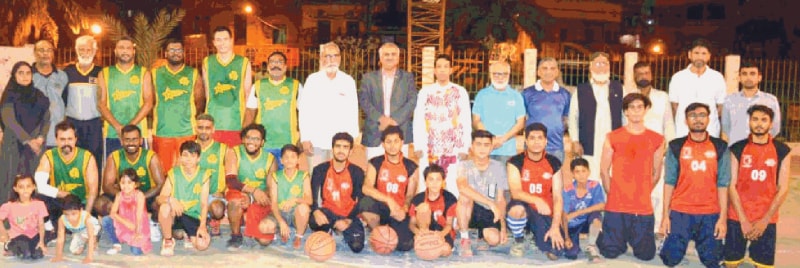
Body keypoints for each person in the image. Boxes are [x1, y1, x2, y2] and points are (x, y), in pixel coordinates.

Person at [659, 102, 730, 267]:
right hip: (681, 210)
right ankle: (669, 242)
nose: (697, 120)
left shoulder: (720, 146)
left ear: (708, 119)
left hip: (710, 212)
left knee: (713, 262)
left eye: (702, 115)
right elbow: (669, 182)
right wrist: (665, 216)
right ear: (686, 120)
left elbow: (723, 184)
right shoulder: (676, 146)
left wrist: (722, 219)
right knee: (670, 260)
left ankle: (705, 242)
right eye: (692, 116)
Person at [596, 93, 665, 261]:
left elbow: (657, 171)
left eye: (639, 107)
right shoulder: (612, 137)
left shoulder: (657, 139)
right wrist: (612, 193)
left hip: (642, 206)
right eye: (631, 108)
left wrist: (645, 190)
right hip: (616, 205)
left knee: (646, 255)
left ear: (646, 109)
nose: (635, 111)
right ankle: (600, 233)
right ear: (626, 112)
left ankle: (638, 239)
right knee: (609, 252)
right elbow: (604, 170)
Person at [725, 105, 791, 268]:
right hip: (737, 216)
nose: (759, 124)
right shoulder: (737, 148)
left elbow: (783, 188)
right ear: (749, 122)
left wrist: (765, 221)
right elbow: (731, 186)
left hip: (766, 217)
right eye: (755, 119)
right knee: (731, 264)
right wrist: (743, 220)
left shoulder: (782, 150)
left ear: (771, 123)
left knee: (763, 265)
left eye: (764, 120)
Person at [413, 54, 472, 196]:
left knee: (452, 184)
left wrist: (465, 146)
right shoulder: (425, 92)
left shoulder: (460, 92)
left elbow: (466, 120)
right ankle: (427, 216)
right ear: (434, 70)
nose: (442, 70)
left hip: (453, 148)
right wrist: (418, 146)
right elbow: (418, 119)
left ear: (451, 70)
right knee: (428, 183)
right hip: (430, 147)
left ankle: (452, 217)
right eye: (439, 67)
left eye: (446, 66)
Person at [628, 61, 675, 235]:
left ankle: (656, 229)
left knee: (657, 190)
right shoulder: (629, 96)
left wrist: (668, 146)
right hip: (633, 152)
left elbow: (668, 122)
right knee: (635, 189)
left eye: (646, 72)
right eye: (639, 73)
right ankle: (635, 227)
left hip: (657, 151)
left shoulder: (662, 96)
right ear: (634, 76)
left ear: (651, 75)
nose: (643, 76)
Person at [505, 123, 565, 260]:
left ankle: (534, 234)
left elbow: (557, 197)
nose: (536, 142)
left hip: (544, 212)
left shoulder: (554, 162)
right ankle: (519, 239)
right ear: (526, 141)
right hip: (525, 207)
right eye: (532, 138)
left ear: (546, 141)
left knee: (556, 252)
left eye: (540, 138)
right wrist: (537, 200)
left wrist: (555, 226)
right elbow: (516, 192)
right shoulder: (515, 162)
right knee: (517, 209)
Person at [298, 42, 360, 171]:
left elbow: (353, 111)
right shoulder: (312, 80)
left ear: (340, 58)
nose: (331, 60)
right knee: (316, 178)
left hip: (340, 142)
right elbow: (304, 111)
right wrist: (305, 138)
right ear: (321, 58)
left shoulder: (348, 81)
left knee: (339, 178)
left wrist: (353, 138)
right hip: (316, 140)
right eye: (327, 56)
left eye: (335, 56)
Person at [358, 126, 418, 252]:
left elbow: (410, 196)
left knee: (405, 246)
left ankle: (393, 229)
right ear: (383, 144)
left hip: (399, 211)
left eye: (396, 141)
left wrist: (404, 209)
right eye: (388, 142)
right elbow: (366, 187)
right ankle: (377, 232)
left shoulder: (411, 166)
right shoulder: (375, 162)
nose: (392, 145)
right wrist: (389, 201)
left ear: (402, 143)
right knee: (365, 203)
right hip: (382, 208)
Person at [568, 52, 624, 181]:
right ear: (590, 67)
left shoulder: (619, 88)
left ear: (609, 66)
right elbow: (573, 117)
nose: (601, 67)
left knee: (611, 177)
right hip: (588, 143)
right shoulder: (581, 90)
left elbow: (625, 116)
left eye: (604, 63)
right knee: (589, 178)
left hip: (612, 142)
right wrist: (575, 141)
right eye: (598, 63)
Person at [34, 121, 99, 229]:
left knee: (99, 207)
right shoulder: (49, 156)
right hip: (60, 202)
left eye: (70, 139)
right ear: (56, 140)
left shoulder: (87, 157)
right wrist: (63, 194)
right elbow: (40, 186)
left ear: (75, 139)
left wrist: (85, 215)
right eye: (62, 139)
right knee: (37, 196)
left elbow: (93, 191)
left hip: (81, 204)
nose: (66, 143)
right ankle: (49, 229)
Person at [151, 39, 204, 170]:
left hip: (187, 132)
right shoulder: (155, 73)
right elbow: (150, 101)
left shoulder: (193, 73)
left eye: (179, 50)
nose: (175, 53)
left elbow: (200, 101)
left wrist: (187, 116)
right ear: (165, 53)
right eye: (172, 50)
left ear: (183, 53)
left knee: (188, 170)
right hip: (162, 132)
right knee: (163, 172)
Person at [309, 132, 366, 253]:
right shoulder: (320, 170)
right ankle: (330, 229)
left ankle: (339, 229)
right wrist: (316, 211)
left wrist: (348, 220)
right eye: (338, 146)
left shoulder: (357, 172)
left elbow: (361, 201)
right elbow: (312, 196)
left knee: (357, 247)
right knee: (314, 221)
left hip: (348, 214)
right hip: (328, 213)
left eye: (345, 147)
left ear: (350, 151)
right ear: (332, 149)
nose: (341, 150)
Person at [1, 62, 50, 200]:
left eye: (28, 73)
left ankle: (33, 218)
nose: (25, 76)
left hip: (36, 146)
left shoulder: (39, 95)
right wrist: (28, 140)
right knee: (10, 182)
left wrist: (40, 138)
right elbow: (9, 120)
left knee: (34, 182)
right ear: (14, 75)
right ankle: (5, 219)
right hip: (13, 146)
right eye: (20, 73)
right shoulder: (9, 95)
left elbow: (46, 119)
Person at [97, 36, 154, 157]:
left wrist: (130, 128)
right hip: (112, 133)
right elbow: (101, 104)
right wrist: (118, 127)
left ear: (133, 51)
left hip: (138, 134)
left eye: (128, 48)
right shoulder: (104, 73)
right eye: (121, 48)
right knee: (113, 173)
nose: (125, 51)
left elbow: (149, 102)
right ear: (115, 51)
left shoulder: (144, 72)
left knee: (140, 172)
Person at [359, 42, 417, 159]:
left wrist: (394, 121)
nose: (390, 57)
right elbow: (364, 100)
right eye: (386, 54)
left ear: (398, 58)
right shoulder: (368, 78)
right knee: (374, 171)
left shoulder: (407, 78)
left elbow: (412, 100)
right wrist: (381, 119)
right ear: (380, 58)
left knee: (399, 173)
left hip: (400, 131)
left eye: (393, 54)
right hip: (375, 132)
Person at [224, 124, 277, 249]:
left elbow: (271, 188)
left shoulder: (270, 159)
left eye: (256, 139)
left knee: (264, 241)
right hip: (240, 191)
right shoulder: (234, 152)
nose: (251, 142)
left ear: (262, 142)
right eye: (248, 138)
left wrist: (253, 198)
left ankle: (251, 222)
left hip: (261, 197)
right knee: (235, 202)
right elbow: (231, 181)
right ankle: (236, 235)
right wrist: (253, 191)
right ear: (243, 139)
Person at [244, 51, 303, 166]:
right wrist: (246, 138)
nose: (276, 65)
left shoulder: (295, 86)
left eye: (280, 62)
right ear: (268, 66)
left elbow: (305, 114)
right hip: (264, 144)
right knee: (264, 180)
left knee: (285, 180)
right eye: (272, 62)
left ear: (285, 67)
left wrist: (302, 137)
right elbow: (250, 113)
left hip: (288, 143)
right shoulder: (258, 86)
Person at [455, 130, 508, 257]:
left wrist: (503, 227)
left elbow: (500, 199)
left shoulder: (498, 167)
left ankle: (481, 237)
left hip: (488, 211)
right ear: (472, 147)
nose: (482, 148)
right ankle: (464, 238)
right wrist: (490, 203)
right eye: (478, 144)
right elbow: (462, 187)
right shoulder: (463, 165)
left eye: (486, 145)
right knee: (464, 197)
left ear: (491, 147)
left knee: (494, 240)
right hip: (471, 209)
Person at [157, 141, 211, 256]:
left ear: (198, 158)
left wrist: (202, 226)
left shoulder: (204, 174)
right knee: (164, 207)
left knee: (202, 245)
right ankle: (168, 241)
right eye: (185, 155)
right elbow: (160, 198)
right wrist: (171, 200)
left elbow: (203, 203)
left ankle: (185, 233)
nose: (189, 159)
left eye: (193, 156)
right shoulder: (174, 173)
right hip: (176, 213)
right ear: (180, 157)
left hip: (193, 215)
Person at [202, 26, 254, 147]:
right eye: (218, 40)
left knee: (234, 162)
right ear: (214, 42)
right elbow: (207, 93)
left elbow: (248, 94)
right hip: (214, 122)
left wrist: (247, 124)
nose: (222, 43)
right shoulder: (207, 62)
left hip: (236, 122)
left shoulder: (243, 62)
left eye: (225, 39)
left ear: (231, 40)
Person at [99, 125, 164, 219]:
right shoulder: (114, 157)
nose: (131, 143)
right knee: (100, 203)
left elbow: (160, 184)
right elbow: (107, 186)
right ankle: (123, 222)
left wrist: (140, 198)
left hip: (147, 196)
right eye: (127, 139)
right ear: (121, 141)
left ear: (141, 140)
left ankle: (152, 225)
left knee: (161, 206)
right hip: (123, 196)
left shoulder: (151, 157)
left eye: (134, 139)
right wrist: (125, 197)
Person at [668, 39, 726, 138]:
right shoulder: (678, 77)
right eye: (696, 53)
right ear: (689, 54)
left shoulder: (717, 77)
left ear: (709, 56)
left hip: (710, 130)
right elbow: (674, 106)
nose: (700, 57)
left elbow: (720, 107)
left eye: (704, 53)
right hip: (683, 130)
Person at [472, 61, 526, 164]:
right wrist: (490, 139)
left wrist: (502, 139)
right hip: (485, 150)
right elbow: (476, 120)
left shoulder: (516, 96)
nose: (500, 77)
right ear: (490, 74)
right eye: (496, 74)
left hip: (508, 151)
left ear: (509, 75)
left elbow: (520, 123)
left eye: (504, 74)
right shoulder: (481, 95)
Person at [63, 35, 104, 170]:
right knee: (72, 158)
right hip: (72, 123)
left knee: (94, 159)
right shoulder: (68, 72)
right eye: (81, 49)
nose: (85, 53)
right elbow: (61, 98)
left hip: (94, 124)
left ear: (94, 51)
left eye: (88, 49)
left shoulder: (100, 72)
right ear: (76, 50)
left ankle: (94, 190)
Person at [522, 57, 571, 162]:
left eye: (552, 68)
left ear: (557, 72)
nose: (548, 72)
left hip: (556, 147)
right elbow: (521, 118)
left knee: (555, 178)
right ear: (538, 72)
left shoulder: (565, 94)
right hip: (533, 147)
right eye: (544, 68)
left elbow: (566, 118)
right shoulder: (527, 93)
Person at [722, 62, 781, 145]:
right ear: (739, 78)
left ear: (759, 78)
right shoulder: (730, 100)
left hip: (762, 148)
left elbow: (775, 127)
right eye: (744, 74)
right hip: (736, 149)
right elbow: (726, 126)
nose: (748, 77)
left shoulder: (770, 100)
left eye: (752, 74)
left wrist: (762, 140)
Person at [265, 144, 312, 249]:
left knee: (304, 208)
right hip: (280, 212)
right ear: (281, 160)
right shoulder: (275, 176)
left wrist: (295, 200)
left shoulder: (303, 175)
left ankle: (298, 236)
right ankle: (281, 230)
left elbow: (309, 200)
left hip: (295, 214)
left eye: (293, 157)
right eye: (286, 157)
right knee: (264, 228)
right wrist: (281, 222)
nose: (289, 160)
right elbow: (273, 203)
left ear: (298, 160)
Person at [408, 164, 457, 258]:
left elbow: (449, 225)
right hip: (424, 230)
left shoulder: (450, 199)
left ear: (443, 182)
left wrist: (441, 235)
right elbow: (412, 224)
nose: (434, 183)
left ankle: (431, 246)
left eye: (438, 179)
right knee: (423, 207)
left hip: (441, 231)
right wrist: (418, 232)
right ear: (425, 182)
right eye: (431, 179)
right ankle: (423, 240)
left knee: (446, 251)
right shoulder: (417, 199)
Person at [561, 158, 604, 261]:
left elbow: (602, 205)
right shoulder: (567, 190)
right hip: (573, 225)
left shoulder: (595, 185)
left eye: (584, 171)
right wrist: (566, 237)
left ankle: (591, 245)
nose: (581, 175)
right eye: (577, 172)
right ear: (572, 174)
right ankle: (575, 242)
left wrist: (578, 212)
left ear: (588, 172)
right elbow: (564, 216)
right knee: (571, 254)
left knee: (596, 217)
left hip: (587, 222)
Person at [101, 168, 152, 256]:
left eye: (129, 183)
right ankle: (116, 243)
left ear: (135, 184)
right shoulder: (119, 195)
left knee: (136, 252)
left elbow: (139, 216)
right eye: (123, 183)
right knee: (106, 220)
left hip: (137, 225)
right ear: (119, 184)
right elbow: (112, 213)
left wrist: (137, 232)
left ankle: (142, 238)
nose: (126, 186)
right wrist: (125, 222)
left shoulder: (139, 195)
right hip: (123, 223)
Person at [0, 174, 48, 260]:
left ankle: (20, 249)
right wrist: (4, 234)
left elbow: (41, 225)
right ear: (15, 189)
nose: (25, 190)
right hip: (18, 236)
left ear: (33, 187)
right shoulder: (9, 206)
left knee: (37, 255)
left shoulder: (39, 204)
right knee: (26, 254)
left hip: (33, 236)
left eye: (28, 186)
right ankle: (10, 246)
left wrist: (41, 242)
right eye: (21, 187)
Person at [195, 114, 228, 236]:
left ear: (213, 129)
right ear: (195, 128)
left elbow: (232, 175)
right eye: (200, 127)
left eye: (207, 128)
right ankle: (202, 219)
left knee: (217, 210)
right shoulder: (189, 148)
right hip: (193, 195)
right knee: (178, 234)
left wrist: (225, 191)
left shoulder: (223, 149)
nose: (204, 131)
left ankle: (213, 218)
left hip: (213, 195)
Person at [32, 39, 68, 149]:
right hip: (34, 137)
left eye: (49, 50)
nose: (45, 53)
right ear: (34, 53)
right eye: (41, 50)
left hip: (56, 136)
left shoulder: (62, 76)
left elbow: (67, 103)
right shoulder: (27, 75)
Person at [51, 194, 100, 264]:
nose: (70, 218)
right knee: (75, 251)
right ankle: (82, 239)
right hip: (79, 231)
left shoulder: (86, 218)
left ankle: (94, 240)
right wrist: (58, 255)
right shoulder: (62, 220)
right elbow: (60, 238)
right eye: (66, 214)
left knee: (90, 239)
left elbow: (91, 236)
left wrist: (89, 256)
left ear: (81, 210)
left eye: (73, 214)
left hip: (92, 228)